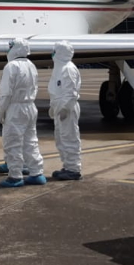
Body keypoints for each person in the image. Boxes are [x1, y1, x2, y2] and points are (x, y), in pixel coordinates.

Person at [0, 38, 46, 187]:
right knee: (30, 142)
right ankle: (36, 172)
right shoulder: (31, 65)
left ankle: (15, 176)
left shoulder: (11, 66)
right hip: (30, 106)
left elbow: (6, 92)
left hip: (15, 108)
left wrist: (2, 110)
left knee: (13, 142)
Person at [48, 41, 82, 181]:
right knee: (61, 138)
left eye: (55, 50)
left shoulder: (68, 68)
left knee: (70, 138)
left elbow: (71, 92)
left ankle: (74, 169)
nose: (53, 53)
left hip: (67, 108)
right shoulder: (60, 68)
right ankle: (67, 166)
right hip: (60, 107)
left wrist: (65, 108)